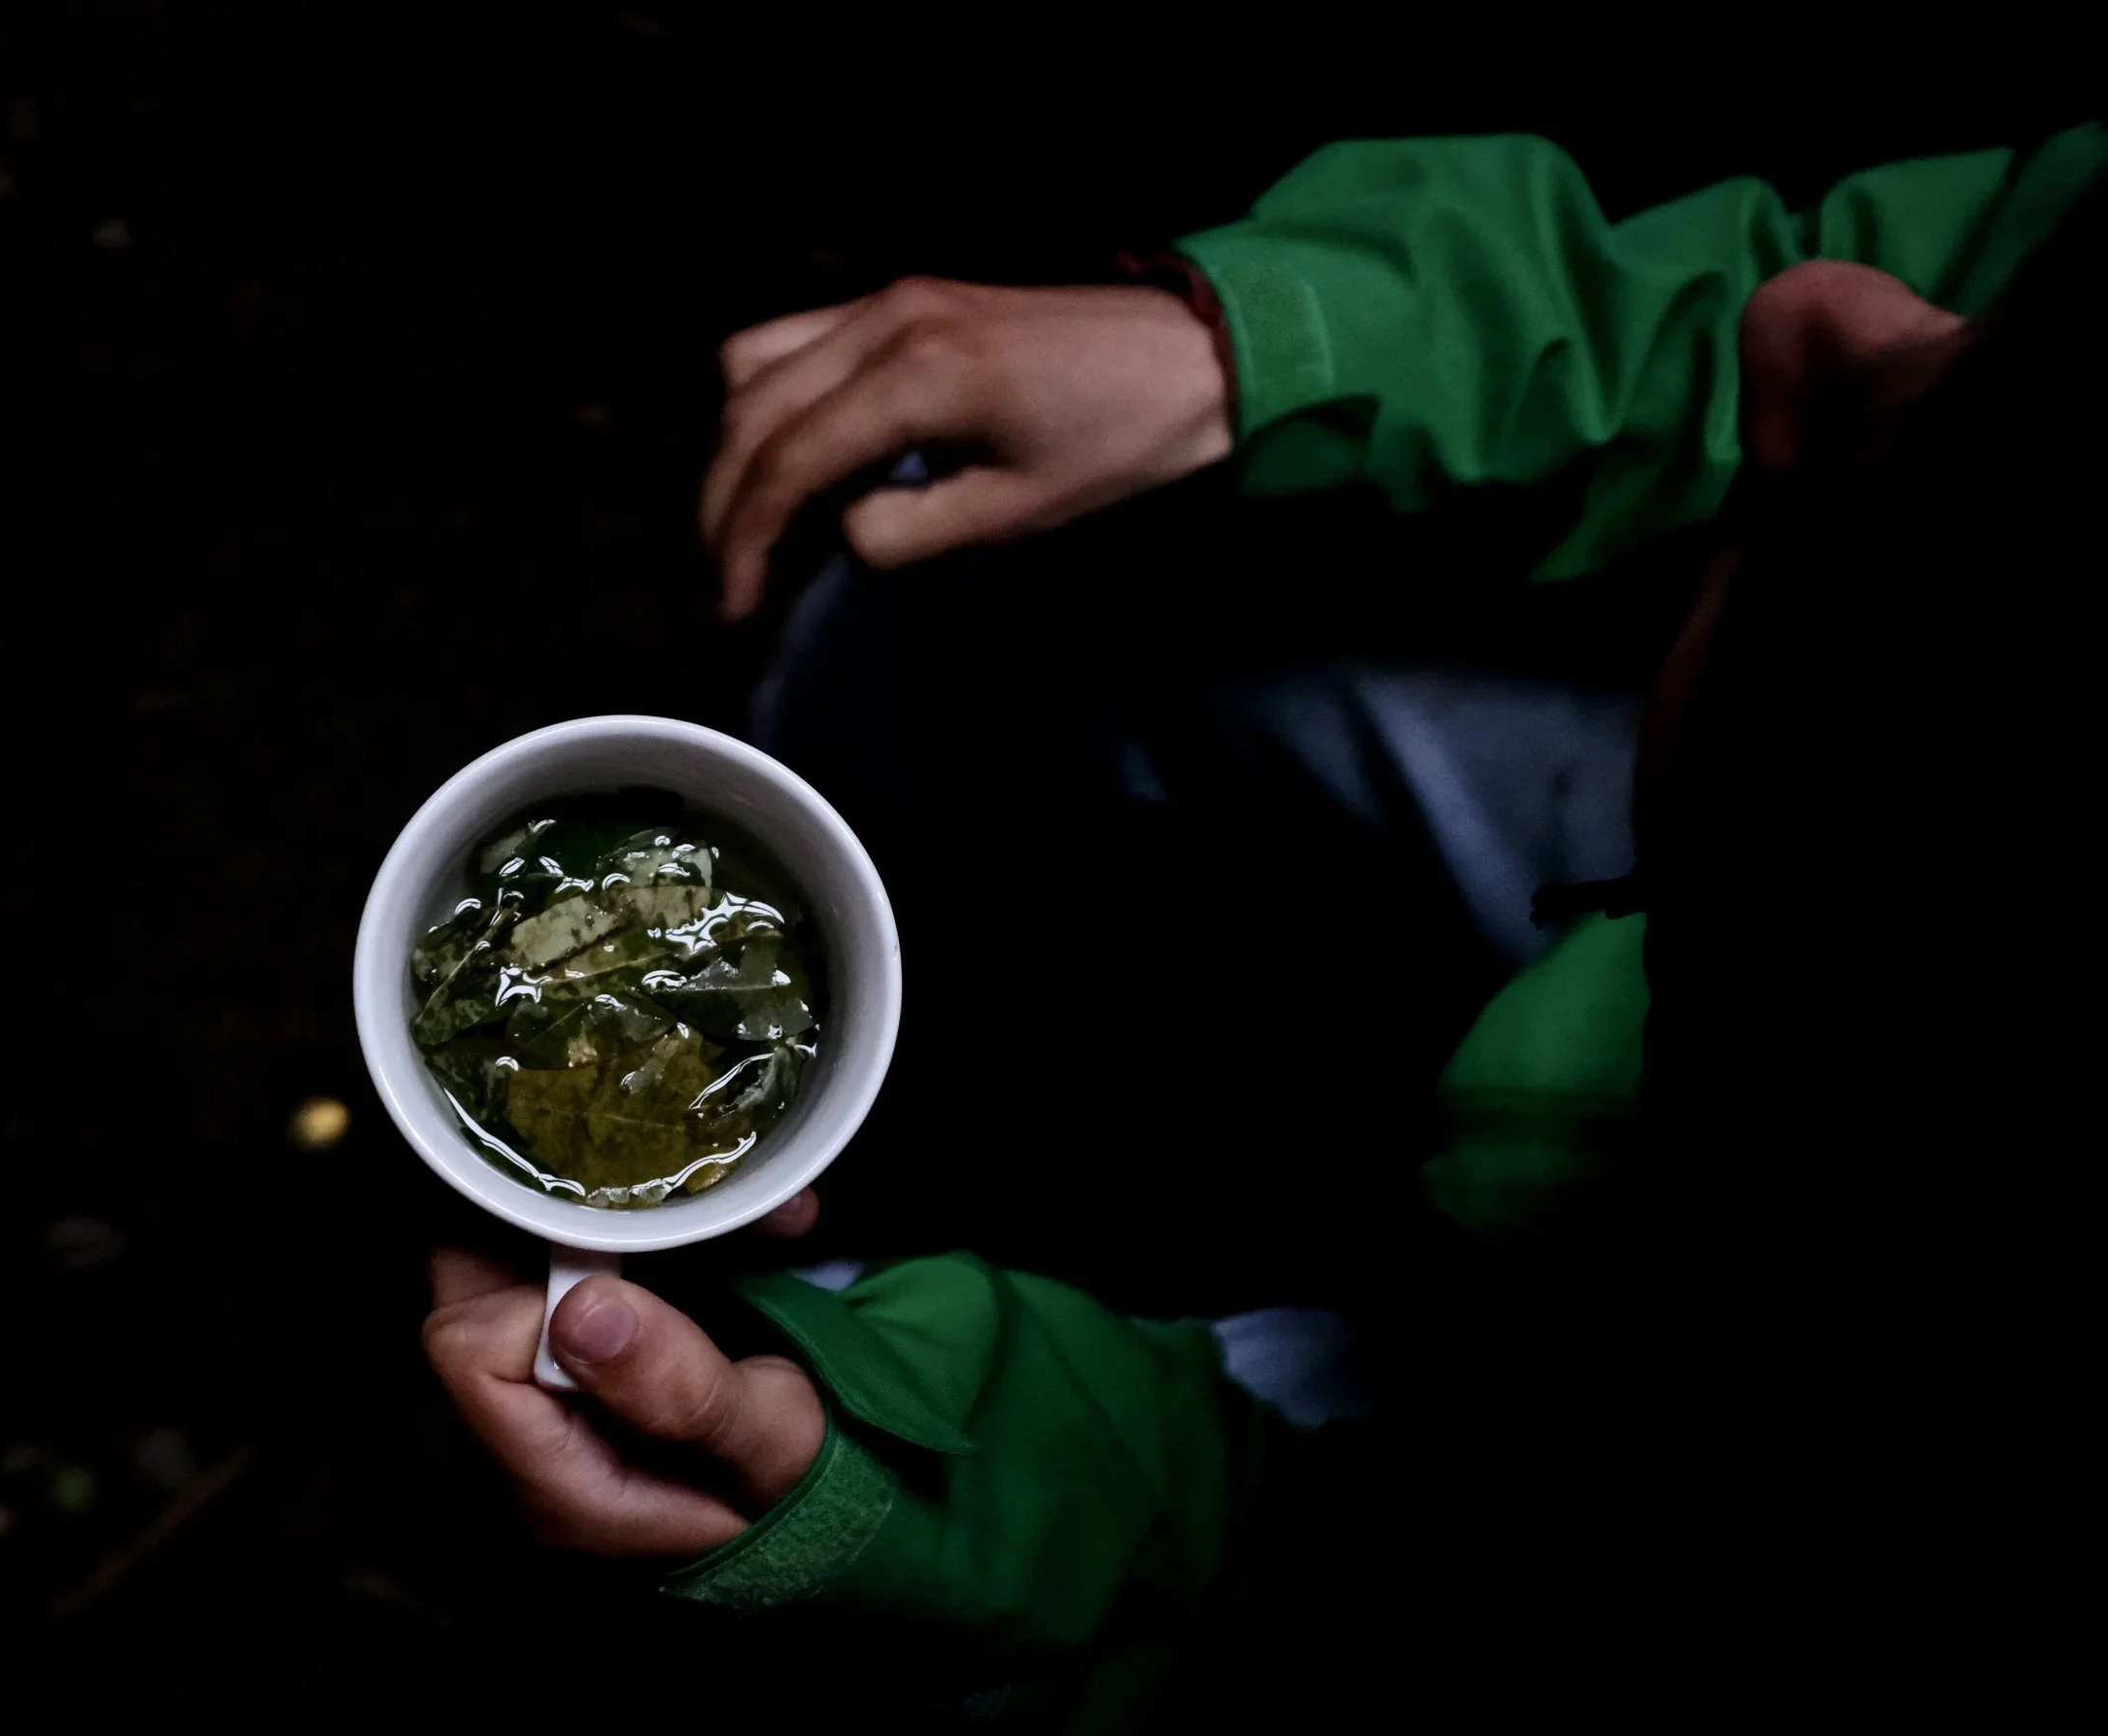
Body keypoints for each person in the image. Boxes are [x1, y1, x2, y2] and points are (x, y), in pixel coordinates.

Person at [425, 127, 2105, 1724]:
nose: (1817, 312)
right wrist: (1281, 344)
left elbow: (1321, 1585)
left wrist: (888, 1498)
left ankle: (847, 1301)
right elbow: (1925, 261)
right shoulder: (1845, 755)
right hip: (1681, 871)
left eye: (1884, 467)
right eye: (2025, 354)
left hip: (1489, 1439)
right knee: (981, 580)